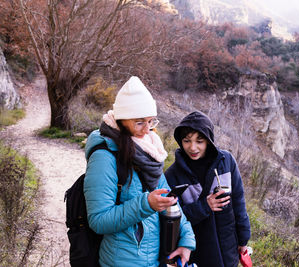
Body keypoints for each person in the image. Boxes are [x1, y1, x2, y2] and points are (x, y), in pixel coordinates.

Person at [83, 76, 195, 266]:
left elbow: (169, 198)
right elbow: (99, 220)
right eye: (139, 122)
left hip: (153, 259)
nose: (147, 130)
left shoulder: (148, 150)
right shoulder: (104, 156)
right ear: (122, 120)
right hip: (120, 260)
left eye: (151, 121)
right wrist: (146, 204)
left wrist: (186, 240)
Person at [165, 111, 251, 267]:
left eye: (200, 141)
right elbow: (173, 220)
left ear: (209, 141)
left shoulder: (226, 162)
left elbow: (239, 201)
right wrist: (204, 206)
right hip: (199, 252)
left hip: (228, 248)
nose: (193, 147)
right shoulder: (173, 175)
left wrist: (243, 238)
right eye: (187, 141)